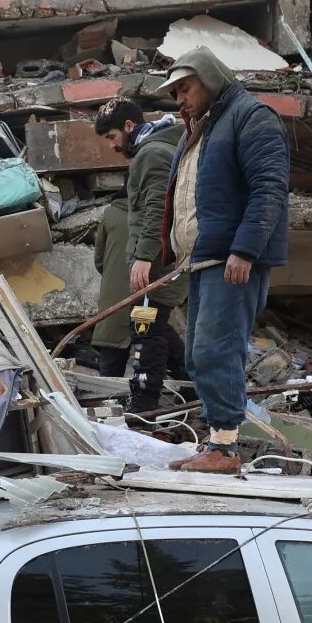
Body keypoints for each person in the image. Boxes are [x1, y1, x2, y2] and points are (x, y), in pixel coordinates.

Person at [154, 47, 290, 474]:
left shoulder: (251, 117)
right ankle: (218, 441)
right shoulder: (205, 128)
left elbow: (269, 189)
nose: (179, 99)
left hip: (231, 260)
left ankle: (226, 450)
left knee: (218, 349)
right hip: (205, 260)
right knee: (199, 353)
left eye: (185, 88)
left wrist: (245, 250)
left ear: (210, 78)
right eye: (175, 91)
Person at [94, 99, 185, 414]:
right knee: (154, 328)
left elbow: (158, 208)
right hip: (161, 263)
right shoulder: (156, 150)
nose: (112, 145)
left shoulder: (152, 154)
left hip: (159, 264)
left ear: (129, 126)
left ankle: (144, 407)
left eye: (112, 137)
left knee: (146, 332)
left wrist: (144, 256)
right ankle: (192, 385)